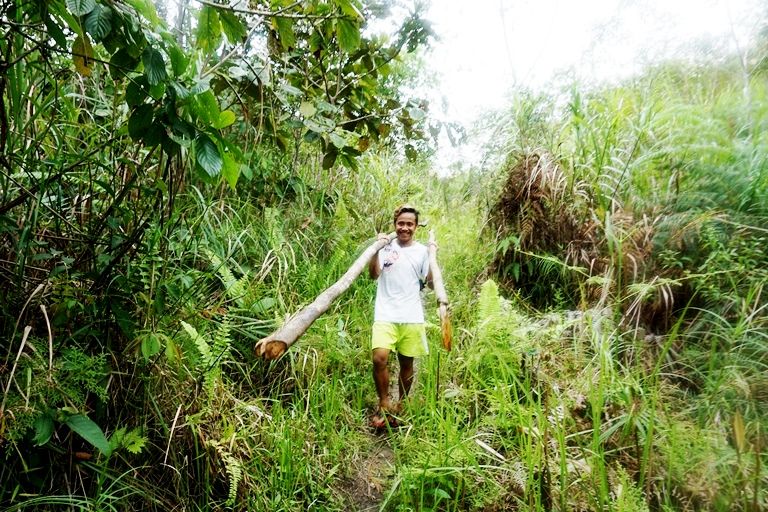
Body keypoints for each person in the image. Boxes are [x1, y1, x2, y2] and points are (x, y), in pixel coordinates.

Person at [368, 204, 433, 428]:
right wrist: (376, 248)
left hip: (411, 315)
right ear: (395, 224)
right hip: (385, 312)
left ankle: (402, 404)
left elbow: (432, 284)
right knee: (380, 358)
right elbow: (373, 275)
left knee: (407, 362)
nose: (404, 228)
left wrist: (434, 257)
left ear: (416, 227)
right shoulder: (385, 247)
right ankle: (384, 403)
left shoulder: (423, 251)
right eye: (401, 224)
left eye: (409, 224)